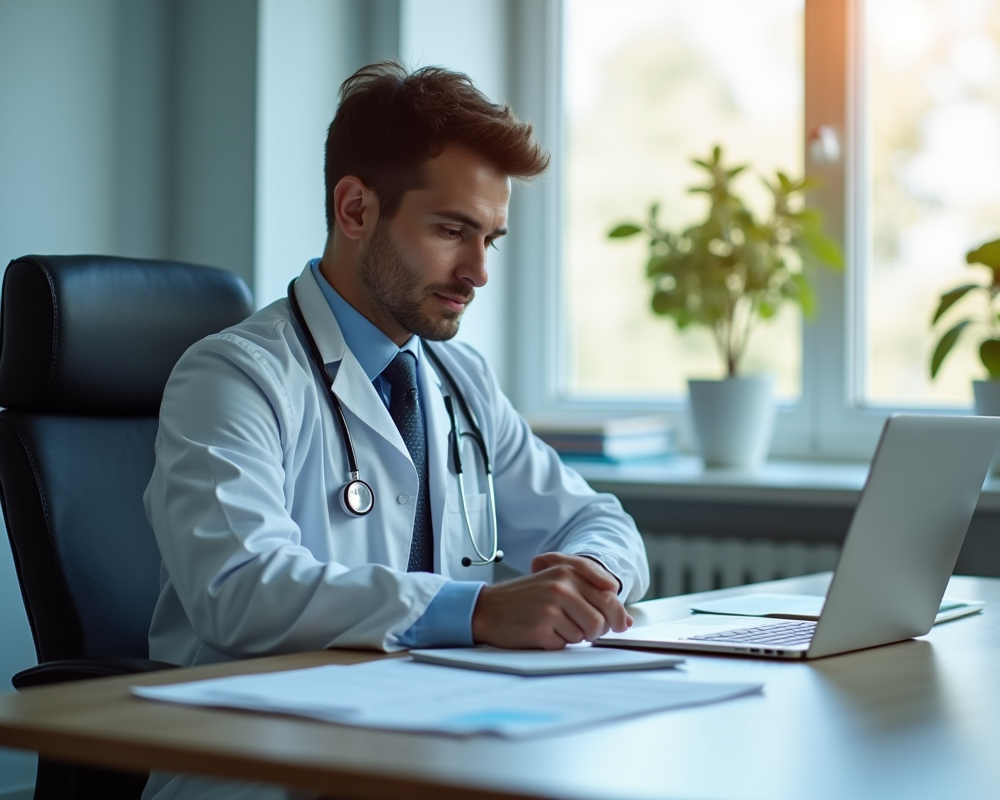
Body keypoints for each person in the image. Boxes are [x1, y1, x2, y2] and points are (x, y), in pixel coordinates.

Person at [144, 61, 649, 673]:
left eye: (489, 239)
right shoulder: (234, 376)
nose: (478, 272)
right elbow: (239, 588)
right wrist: (478, 612)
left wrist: (592, 575)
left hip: (435, 725)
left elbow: (596, 519)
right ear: (355, 209)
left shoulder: (462, 382)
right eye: (451, 230)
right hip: (259, 746)